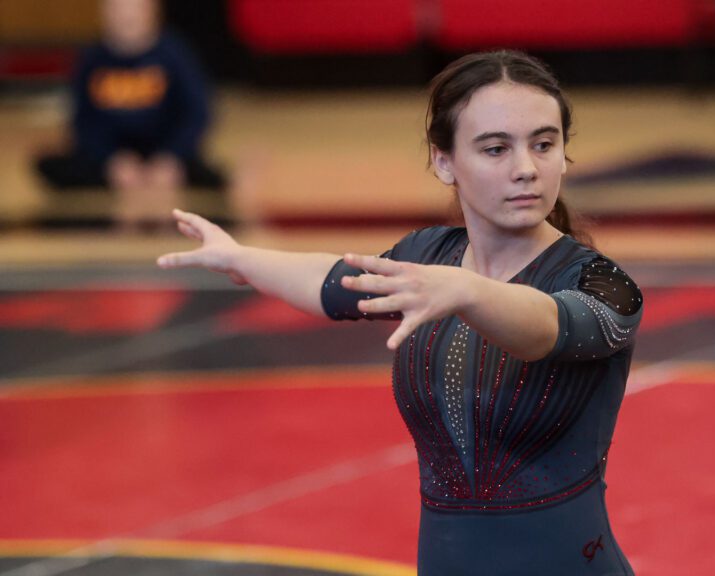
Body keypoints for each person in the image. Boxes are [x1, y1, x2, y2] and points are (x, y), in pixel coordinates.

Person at [157, 50, 642, 576]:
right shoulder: (428, 257)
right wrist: (240, 258)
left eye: (544, 144)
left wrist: (466, 290)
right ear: (443, 161)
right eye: (496, 148)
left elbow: (547, 326)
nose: (526, 168)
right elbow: (333, 282)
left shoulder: (603, 284)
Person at [35, 0, 226, 228]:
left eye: (135, 10)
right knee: (52, 165)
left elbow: (197, 114)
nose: (127, 18)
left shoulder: (175, 54)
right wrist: (111, 161)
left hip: (165, 152)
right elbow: (82, 122)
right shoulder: (92, 59)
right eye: (118, 10)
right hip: (110, 158)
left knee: (214, 178)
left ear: (153, 12)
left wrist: (172, 157)